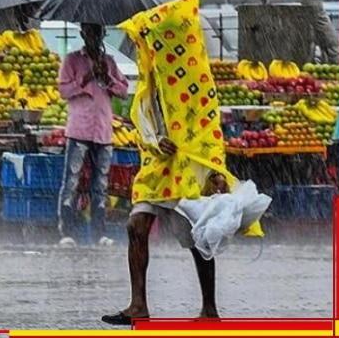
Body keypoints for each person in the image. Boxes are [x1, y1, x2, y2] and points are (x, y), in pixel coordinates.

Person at [102, 75, 228, 325]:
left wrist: (215, 171)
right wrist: (154, 141)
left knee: (197, 236)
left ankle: (210, 308)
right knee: (136, 226)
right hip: (155, 165)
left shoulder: (192, 77)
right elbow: (141, 122)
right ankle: (138, 304)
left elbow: (207, 128)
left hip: (185, 167)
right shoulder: (149, 81)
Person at [56, 23, 128, 247]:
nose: (94, 38)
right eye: (89, 33)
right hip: (79, 129)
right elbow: (63, 91)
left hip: (103, 131)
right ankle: (67, 230)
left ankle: (99, 232)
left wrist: (107, 78)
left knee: (101, 184)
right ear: (83, 35)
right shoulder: (72, 60)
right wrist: (85, 79)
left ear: (103, 35)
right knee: (72, 180)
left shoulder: (110, 63)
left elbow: (124, 91)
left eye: (98, 33)